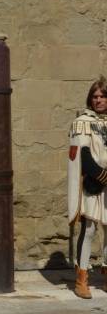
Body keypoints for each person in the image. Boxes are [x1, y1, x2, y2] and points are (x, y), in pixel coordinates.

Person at [68, 76, 107, 299]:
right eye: (95, 96)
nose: (98, 100)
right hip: (92, 182)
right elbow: (82, 153)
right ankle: (81, 278)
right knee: (90, 229)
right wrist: (100, 175)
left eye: (102, 96)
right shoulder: (82, 121)